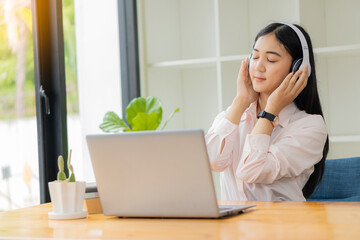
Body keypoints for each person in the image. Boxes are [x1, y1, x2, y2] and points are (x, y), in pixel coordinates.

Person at [205, 22, 329, 201]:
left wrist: (270, 112)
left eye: (270, 60)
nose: (258, 67)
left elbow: (251, 171)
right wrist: (240, 102)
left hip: (281, 227)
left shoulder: (310, 126)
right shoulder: (234, 115)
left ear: (297, 68)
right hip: (232, 227)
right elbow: (211, 161)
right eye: (255, 57)